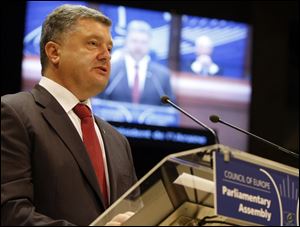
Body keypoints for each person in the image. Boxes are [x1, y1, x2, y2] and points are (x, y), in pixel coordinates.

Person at [1, 4, 138, 226]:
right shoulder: (13, 113)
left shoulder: (117, 140)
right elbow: (9, 212)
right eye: (93, 44)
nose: (106, 56)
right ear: (54, 52)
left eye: (110, 49)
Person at [99, 20, 175, 105]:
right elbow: (99, 102)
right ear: (126, 41)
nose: (138, 46)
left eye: (143, 42)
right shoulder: (110, 70)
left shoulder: (163, 76)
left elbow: (169, 109)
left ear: (150, 44)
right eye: (134, 41)